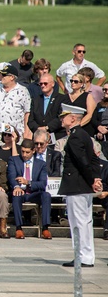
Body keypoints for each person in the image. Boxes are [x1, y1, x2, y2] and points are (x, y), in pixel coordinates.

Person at [59, 104, 102, 268]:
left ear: (72, 118)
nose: (61, 119)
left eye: (64, 116)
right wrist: (96, 178)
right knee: (85, 221)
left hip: (77, 184)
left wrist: (92, 179)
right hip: (83, 185)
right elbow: (93, 158)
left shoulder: (75, 137)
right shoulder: (84, 135)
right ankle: (87, 255)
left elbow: (82, 162)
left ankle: (82, 256)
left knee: (78, 222)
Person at [7, 139, 51, 240]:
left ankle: (45, 228)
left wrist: (28, 182)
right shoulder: (14, 160)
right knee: (16, 195)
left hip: (33, 192)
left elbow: (43, 183)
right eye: (22, 151)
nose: (24, 155)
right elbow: (11, 176)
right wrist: (16, 186)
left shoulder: (41, 164)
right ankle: (18, 228)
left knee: (46, 195)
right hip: (19, 191)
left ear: (33, 150)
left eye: (27, 152)